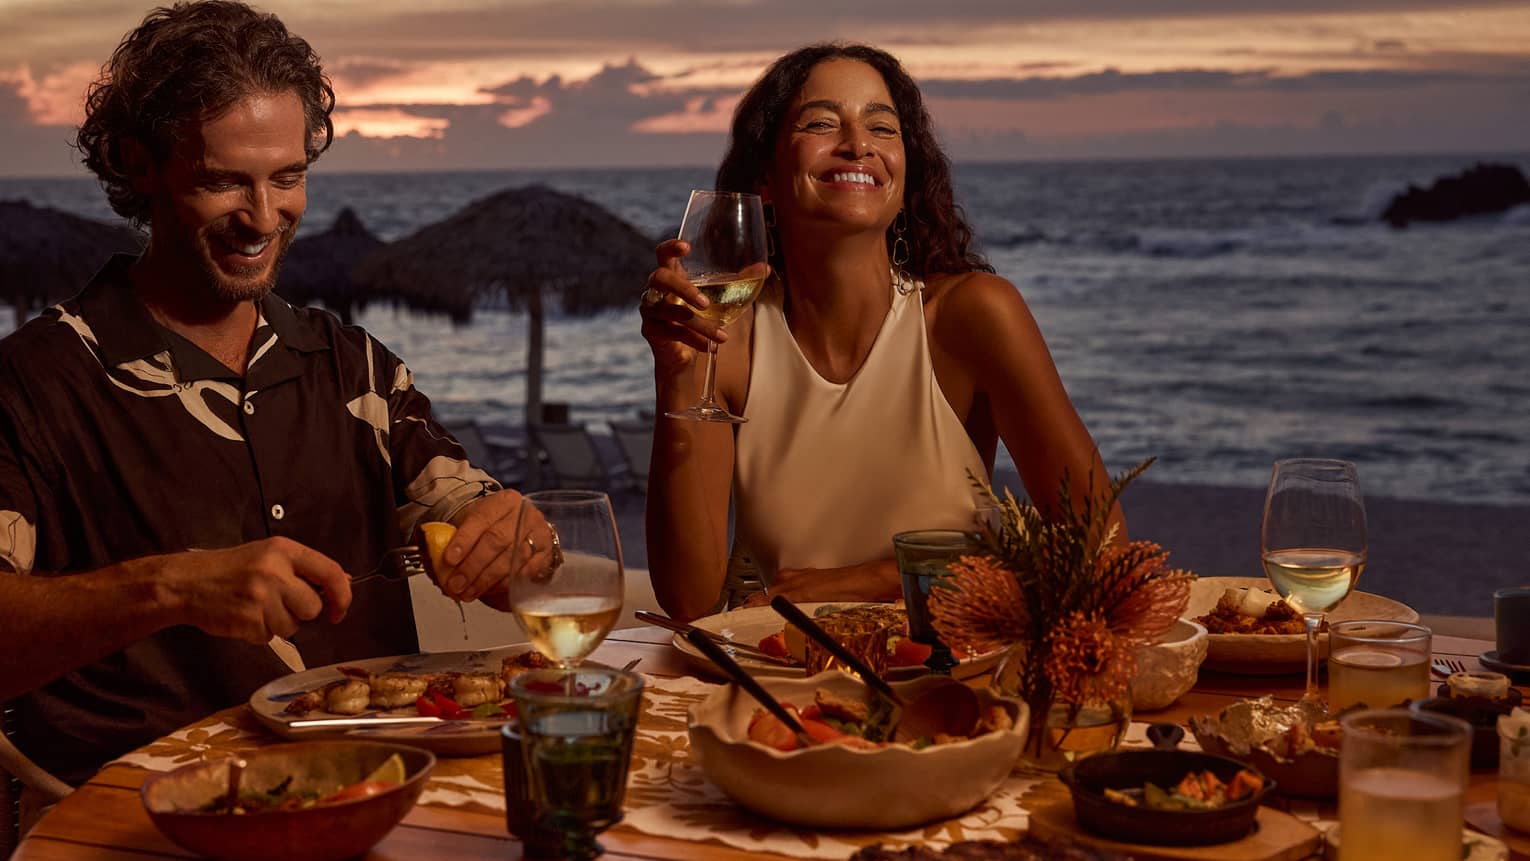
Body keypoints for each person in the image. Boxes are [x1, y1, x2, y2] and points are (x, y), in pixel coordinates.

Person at [0, 0, 550, 796]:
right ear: (137, 163)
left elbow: (480, 528)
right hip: (138, 820)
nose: (263, 218)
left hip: (376, 800)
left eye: (287, 177)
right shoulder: (33, 383)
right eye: (224, 181)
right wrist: (172, 587)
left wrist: (515, 541)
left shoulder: (354, 365)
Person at [639, 43, 1123, 621]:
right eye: (821, 123)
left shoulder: (972, 315)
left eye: (882, 128)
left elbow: (1103, 547)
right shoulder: (732, 338)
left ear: (903, 172)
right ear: (764, 178)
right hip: (791, 677)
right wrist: (676, 378)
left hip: (962, 677)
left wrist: (860, 581)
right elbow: (689, 602)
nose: (858, 144)